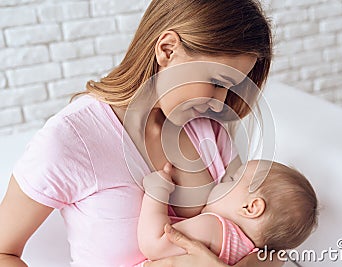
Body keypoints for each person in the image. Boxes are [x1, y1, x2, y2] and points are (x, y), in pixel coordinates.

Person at [0, 0, 280, 266]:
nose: (220, 103)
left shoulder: (209, 130)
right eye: (217, 83)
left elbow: (266, 245)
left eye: (230, 88)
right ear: (167, 50)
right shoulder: (71, 139)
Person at [136, 160, 318, 266]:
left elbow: (154, 244)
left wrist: (156, 192)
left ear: (250, 208)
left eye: (232, 179)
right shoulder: (247, 253)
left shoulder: (214, 227)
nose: (222, 180)